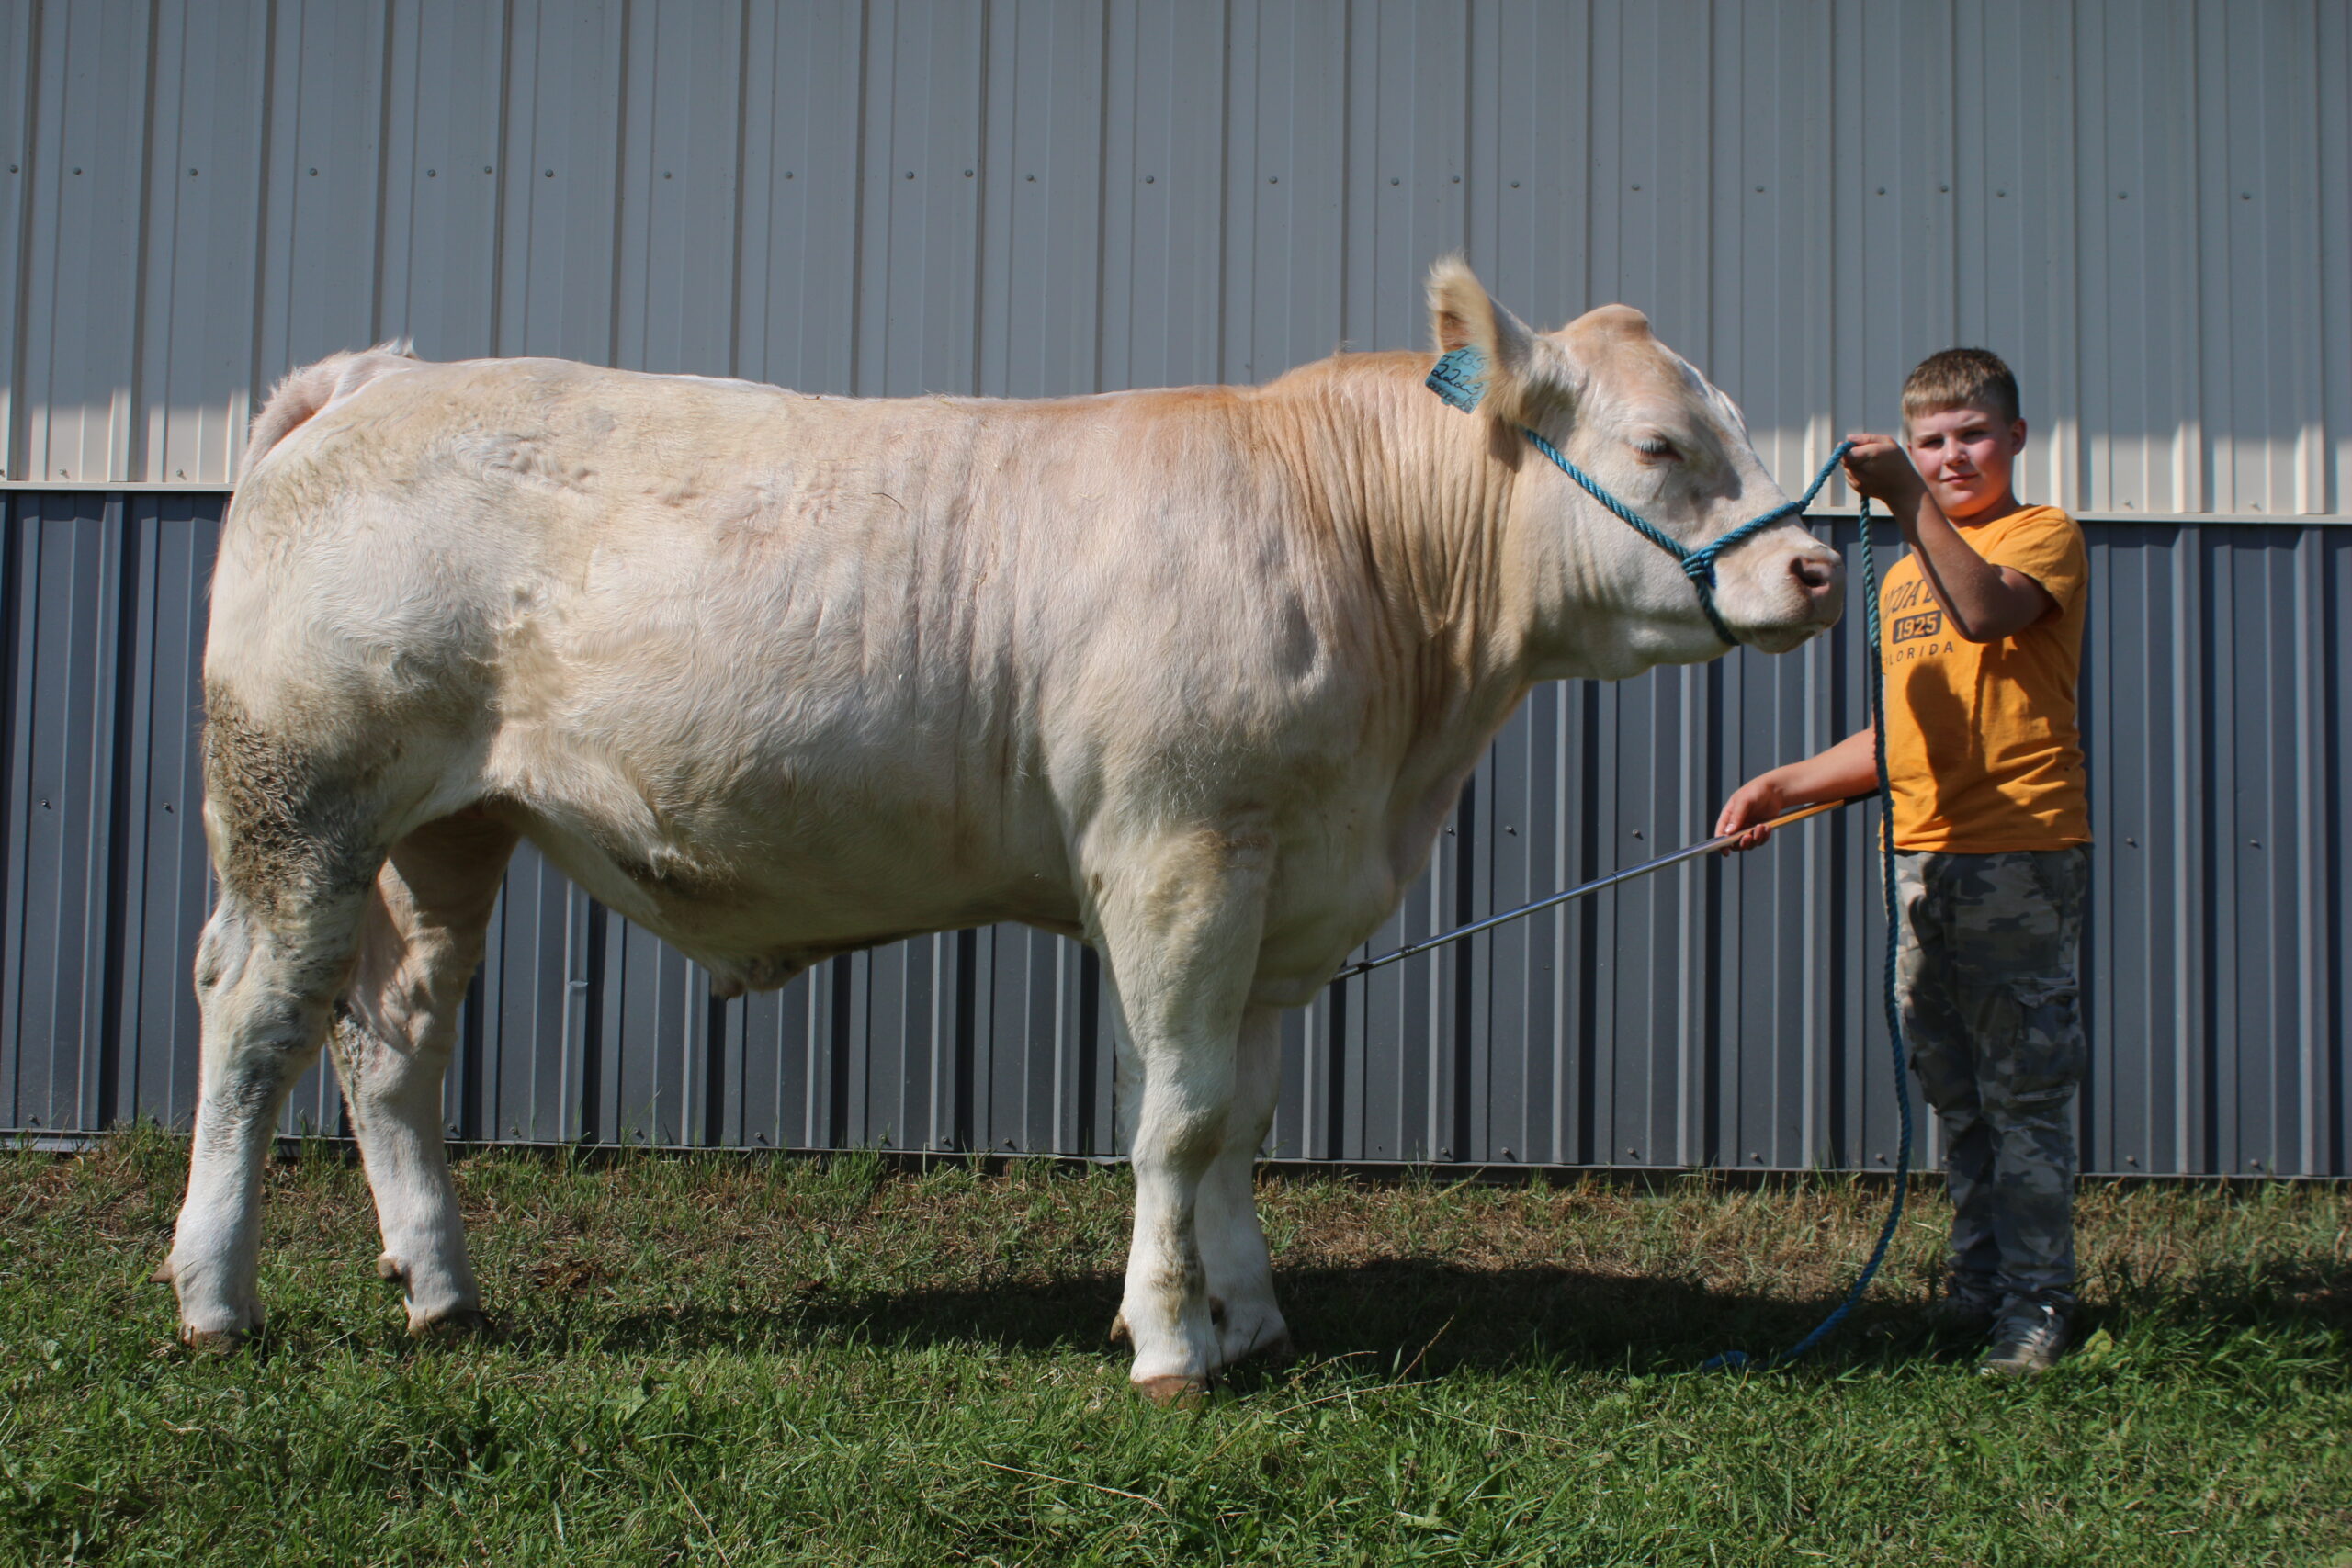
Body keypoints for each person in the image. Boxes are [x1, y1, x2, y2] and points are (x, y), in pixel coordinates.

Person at [1717, 348, 2090, 1377]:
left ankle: (2037, 1305)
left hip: (2018, 854)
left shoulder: (2039, 536)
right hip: (1922, 858)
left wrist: (1906, 502)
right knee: (1955, 1088)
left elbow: (1989, 612)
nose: (1951, 455)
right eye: (1930, 441)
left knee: (2023, 1094)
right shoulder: (1904, 577)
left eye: (1972, 435)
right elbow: (1898, 737)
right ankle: (1979, 1286)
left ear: (2015, 438)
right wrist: (1784, 783)